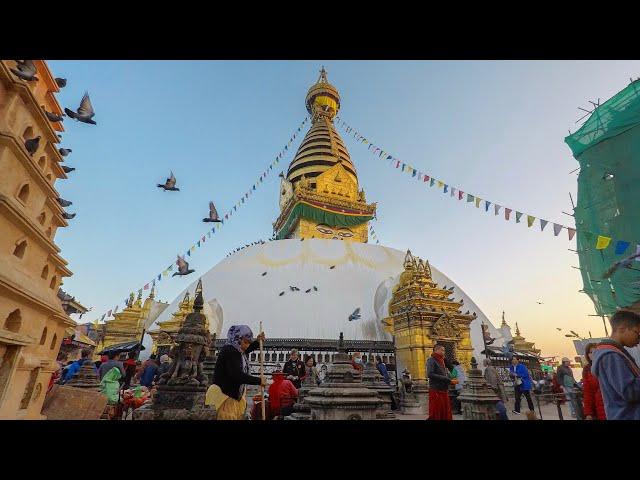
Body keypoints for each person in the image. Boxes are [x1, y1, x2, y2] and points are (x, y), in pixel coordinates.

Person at [206, 325, 267, 420]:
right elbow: (236, 375)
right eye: (245, 342)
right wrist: (258, 381)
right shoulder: (230, 351)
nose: (247, 345)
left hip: (233, 396)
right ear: (237, 339)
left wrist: (257, 342)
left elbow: (247, 349)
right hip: (225, 397)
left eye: (249, 342)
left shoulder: (237, 350)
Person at [592, 309, 640, 420]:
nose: (639, 339)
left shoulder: (614, 353)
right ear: (622, 329)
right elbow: (629, 392)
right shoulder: (611, 356)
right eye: (637, 333)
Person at [426, 344, 453, 420]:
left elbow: (453, 371)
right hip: (435, 389)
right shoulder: (431, 360)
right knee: (436, 411)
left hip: (443, 388)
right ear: (436, 350)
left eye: (444, 350)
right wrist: (445, 378)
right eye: (442, 350)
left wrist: (449, 377)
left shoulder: (443, 360)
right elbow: (430, 374)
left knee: (445, 410)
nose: (443, 352)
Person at [582, 343, 606, 420]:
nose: (593, 354)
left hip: (615, 404)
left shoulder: (607, 364)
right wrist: (588, 413)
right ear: (588, 355)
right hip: (600, 406)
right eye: (591, 352)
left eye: (595, 351)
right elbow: (588, 392)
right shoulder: (587, 370)